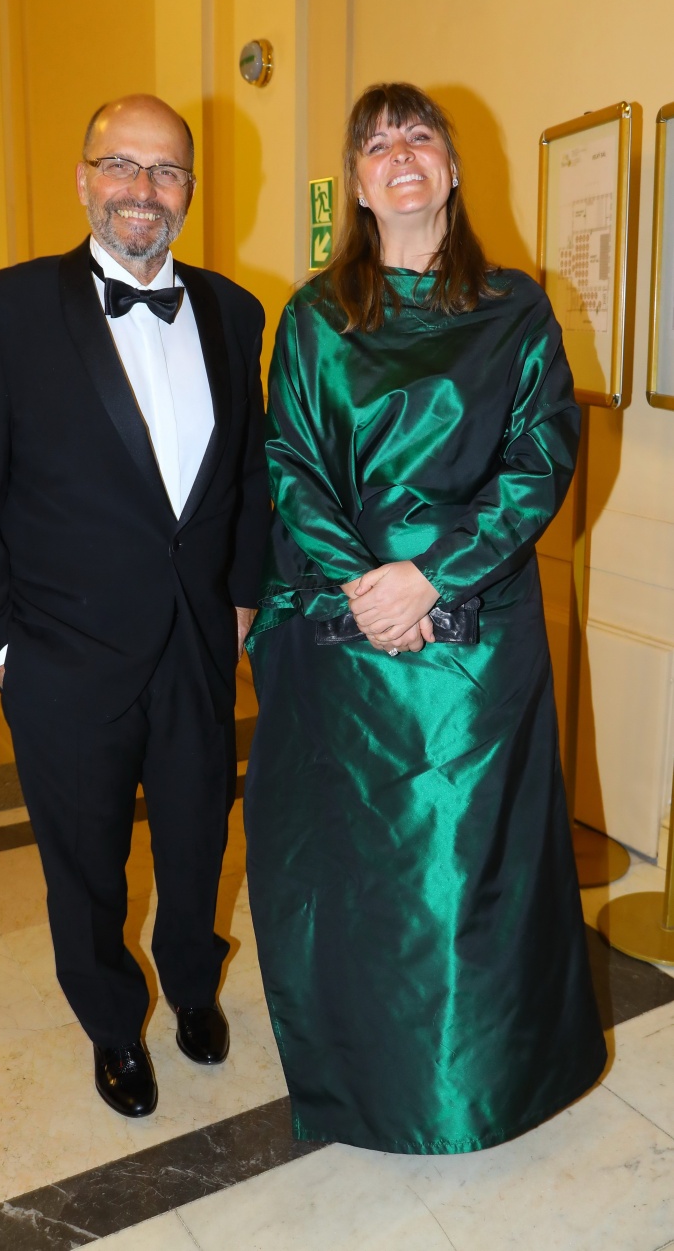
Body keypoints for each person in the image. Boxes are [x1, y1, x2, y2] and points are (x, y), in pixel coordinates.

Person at [243, 82, 606, 1155]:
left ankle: (488, 1084)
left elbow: (541, 457)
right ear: (357, 185)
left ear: (451, 167)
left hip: (477, 639)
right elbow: (290, 463)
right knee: (362, 871)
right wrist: (372, 585)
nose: (399, 153)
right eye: (375, 143)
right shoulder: (313, 317)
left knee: (472, 866)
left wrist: (433, 577)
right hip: (345, 634)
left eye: (417, 136)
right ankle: (367, 1080)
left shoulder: (516, 308)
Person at [0, 95, 268, 1119]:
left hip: (198, 648)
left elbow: (250, 475)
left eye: (165, 171)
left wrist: (243, 599)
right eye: (120, 164)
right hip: (60, 655)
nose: (142, 190)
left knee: (197, 841)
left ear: (189, 191)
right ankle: (113, 1023)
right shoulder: (2, 312)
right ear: (83, 177)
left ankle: (193, 984)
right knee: (84, 865)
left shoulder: (235, 311)